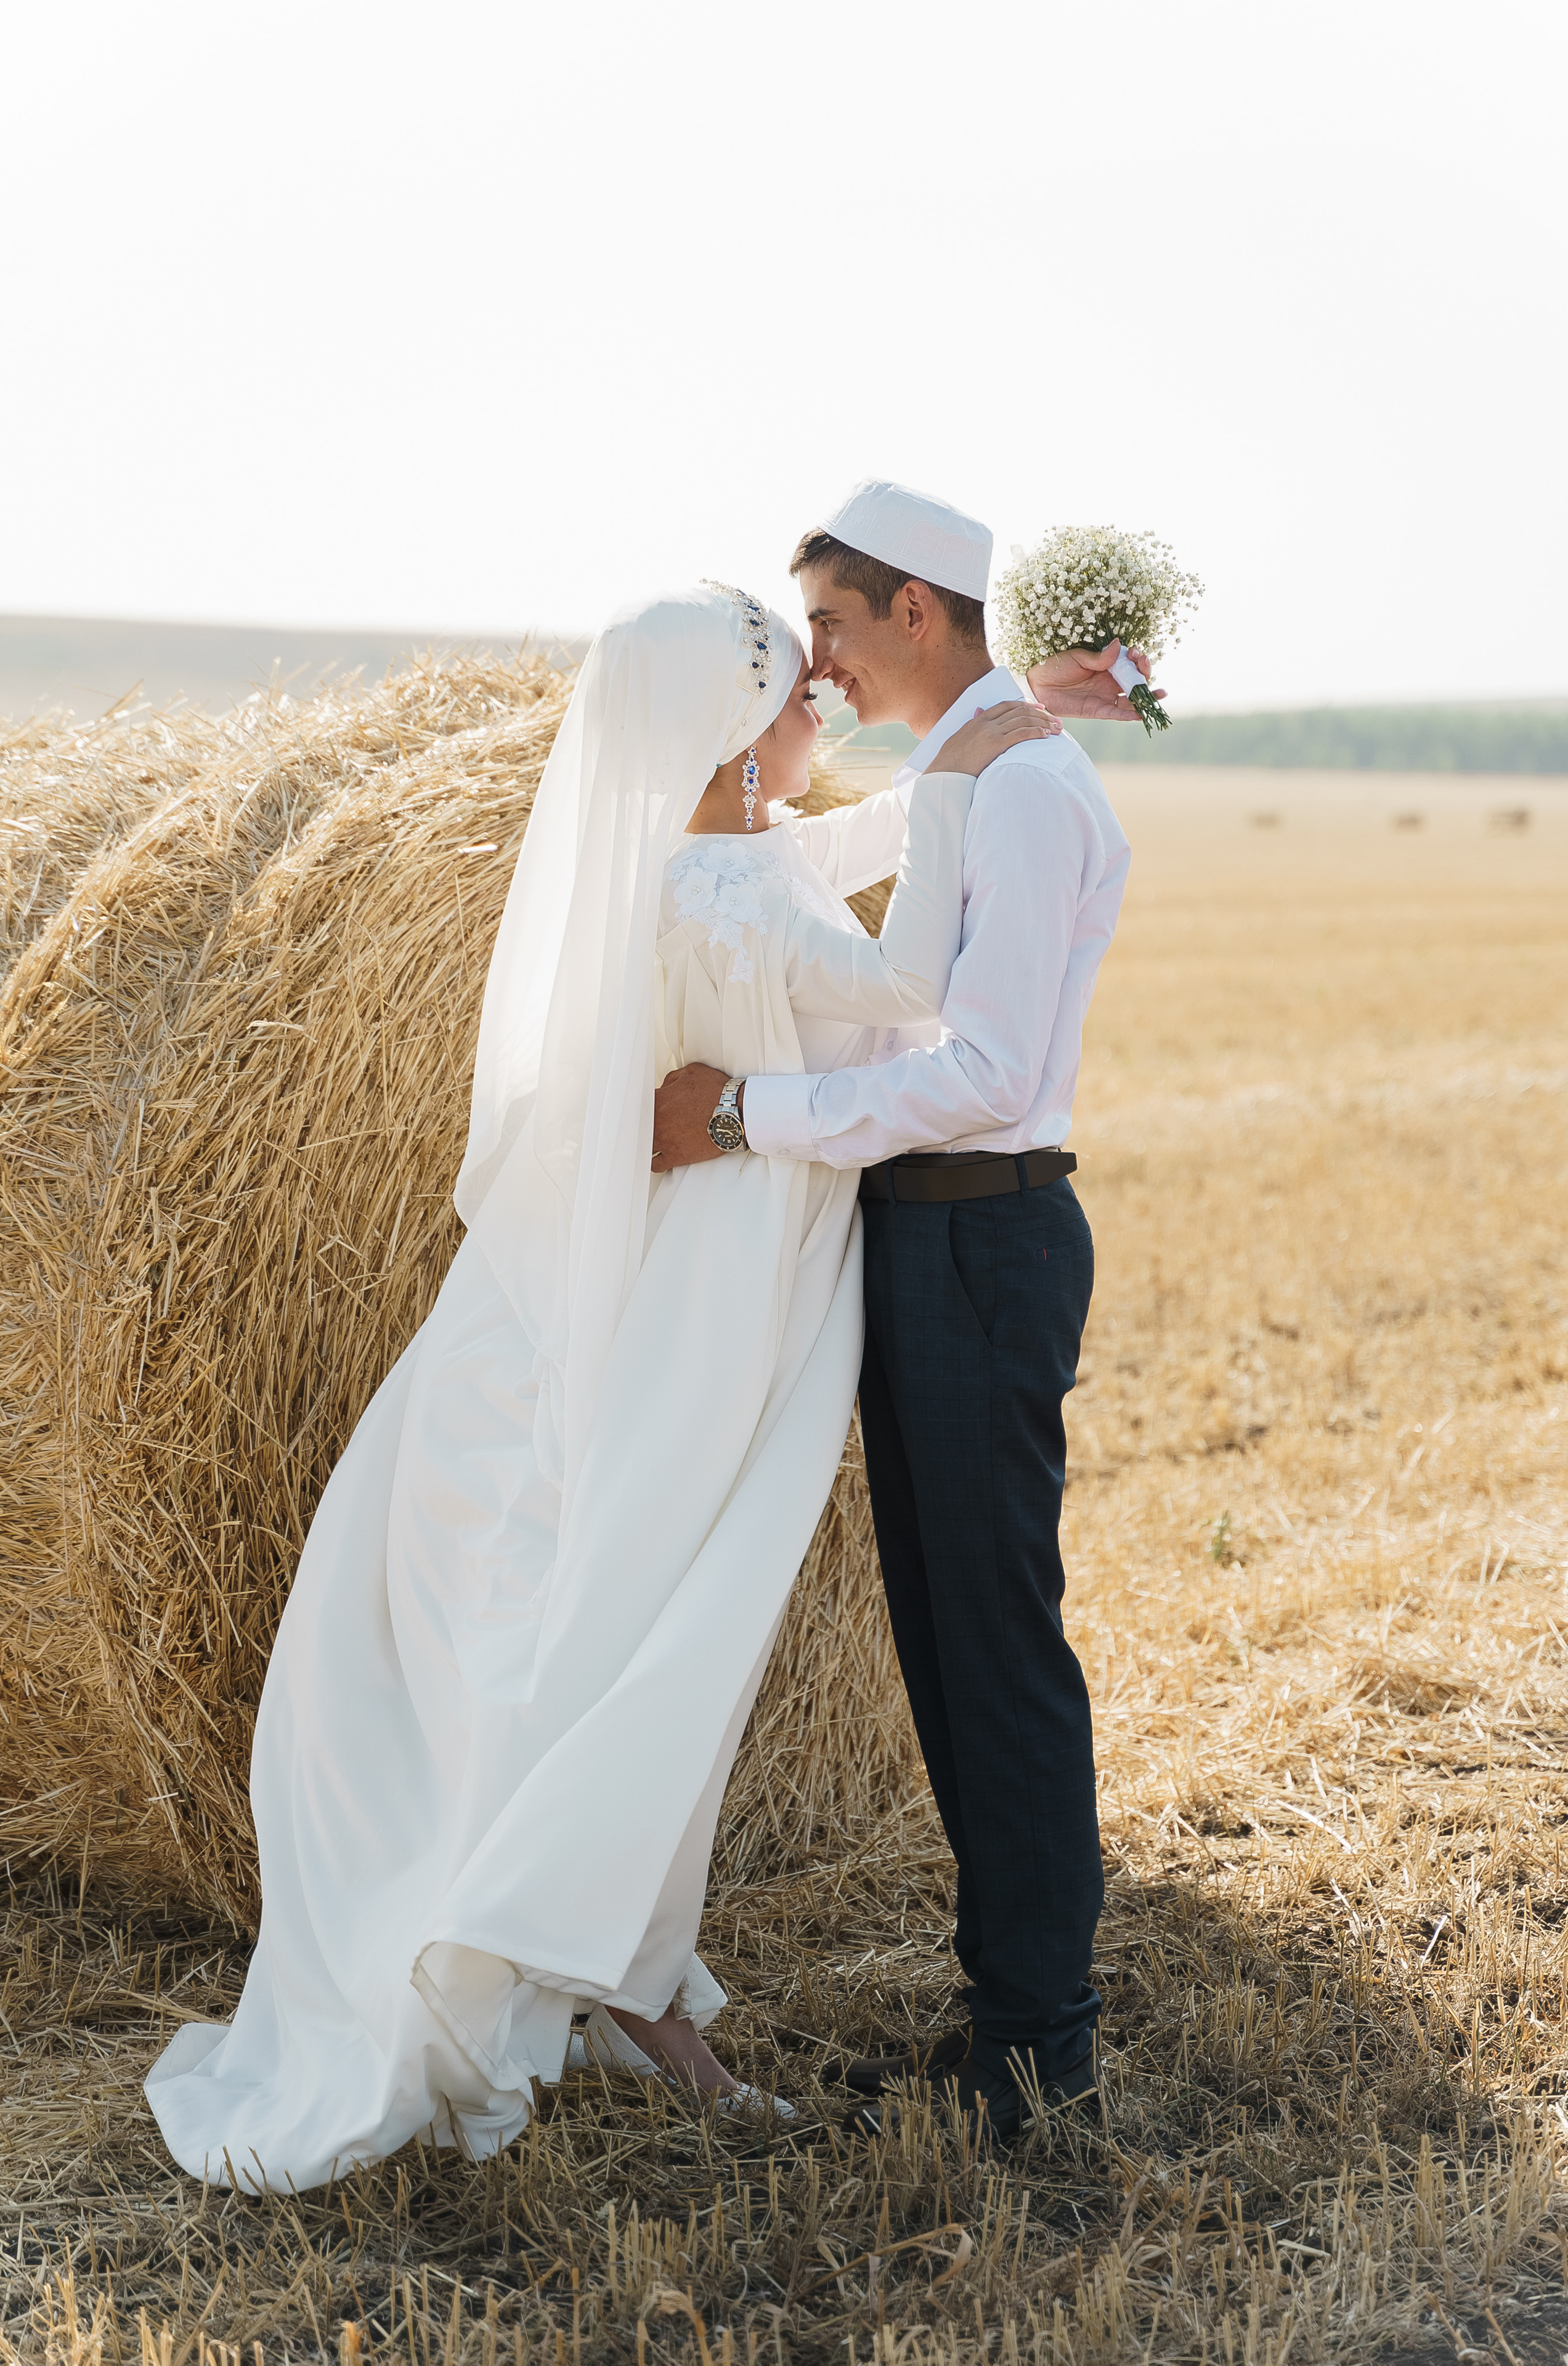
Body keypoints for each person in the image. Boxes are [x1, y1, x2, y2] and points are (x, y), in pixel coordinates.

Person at [143, 579, 1057, 2190]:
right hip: (704, 1324)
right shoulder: (730, 897)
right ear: (730, 727)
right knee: (648, 1646)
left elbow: (815, 860)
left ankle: (614, 1973)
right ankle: (568, 1950)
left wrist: (976, 743)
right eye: (790, 697)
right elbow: (914, 984)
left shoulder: (690, 864)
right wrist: (985, 754)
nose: (817, 712)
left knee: (629, 1639)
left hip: (649, 1297)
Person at [652, 481, 1139, 2142]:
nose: (826, 672)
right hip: (934, 1241)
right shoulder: (978, 768)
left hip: (981, 1243)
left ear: (917, 611)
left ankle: (1040, 2047)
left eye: (840, 632)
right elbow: (842, 870)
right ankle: (1008, 2020)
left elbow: (984, 1069)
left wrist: (738, 1118)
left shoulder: (1010, 790)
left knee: (993, 1650)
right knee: (946, 1647)